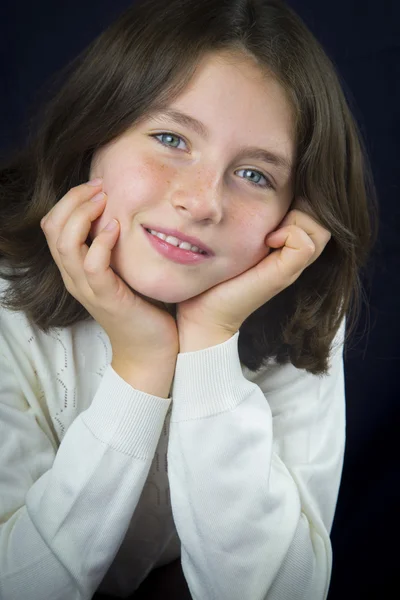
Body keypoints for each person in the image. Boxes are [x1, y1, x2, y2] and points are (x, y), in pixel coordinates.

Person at [0, 0, 376, 599]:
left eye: (255, 174)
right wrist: (141, 368)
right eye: (172, 138)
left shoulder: (296, 310)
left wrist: (210, 342)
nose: (203, 202)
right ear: (94, 132)